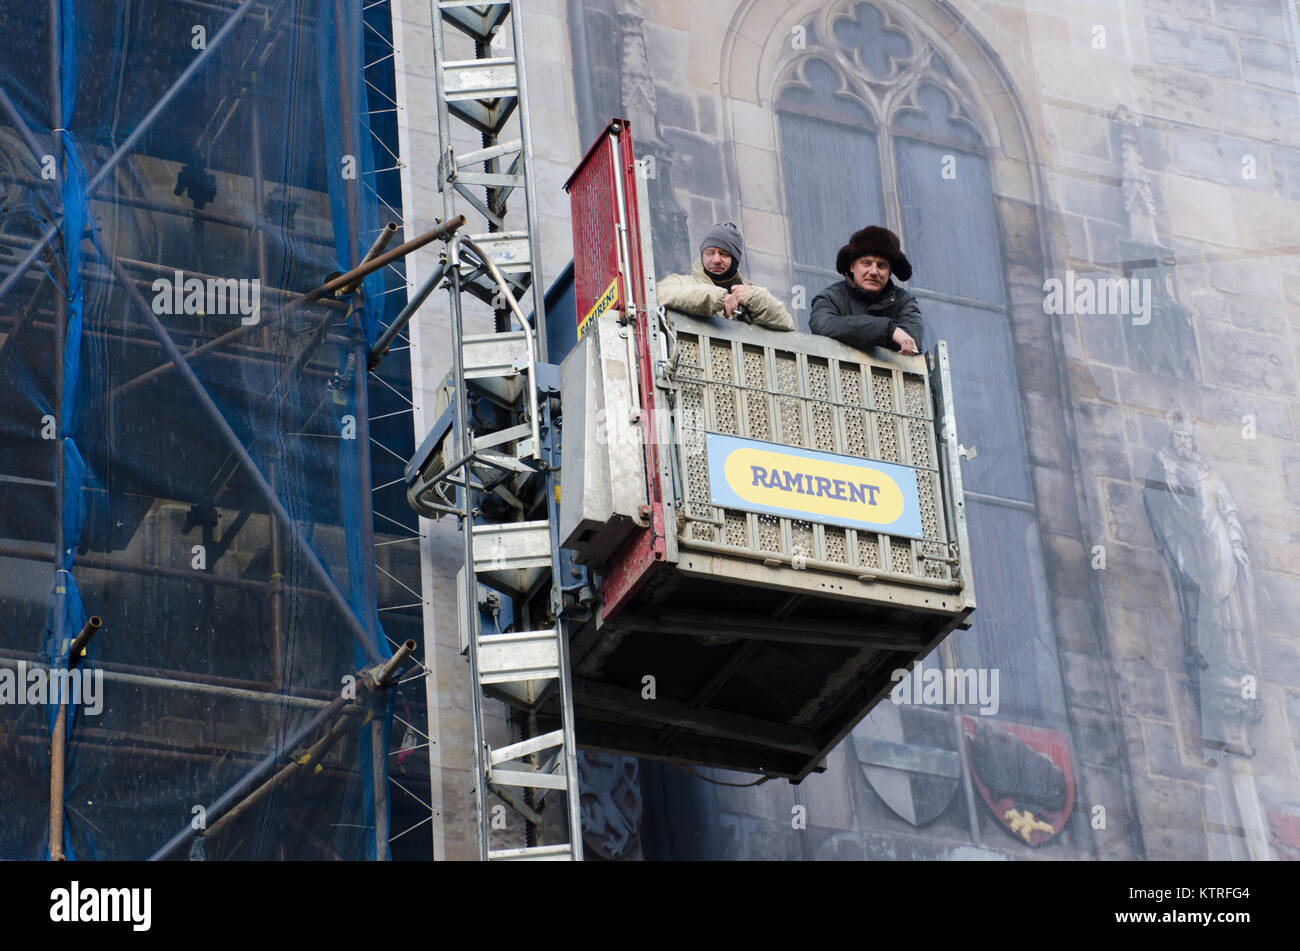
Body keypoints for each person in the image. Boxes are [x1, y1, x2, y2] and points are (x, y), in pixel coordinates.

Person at [656, 222, 794, 331]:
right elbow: (657, 295)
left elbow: (786, 323)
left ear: (735, 259)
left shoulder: (748, 293)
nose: (716, 259)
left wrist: (753, 299)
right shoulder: (681, 282)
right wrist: (717, 298)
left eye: (724, 254)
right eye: (709, 252)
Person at [810, 226, 923, 355]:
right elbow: (823, 325)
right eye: (866, 263)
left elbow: (911, 343)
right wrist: (889, 331)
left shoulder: (904, 301)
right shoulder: (831, 297)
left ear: (890, 271)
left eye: (881, 265)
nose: (874, 272)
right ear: (852, 267)